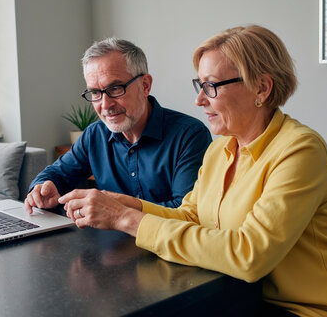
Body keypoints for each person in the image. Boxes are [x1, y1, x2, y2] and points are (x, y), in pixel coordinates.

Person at [59, 26, 327, 316]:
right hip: (235, 299)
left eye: (211, 86)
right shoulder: (221, 149)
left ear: (261, 87)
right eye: (200, 85)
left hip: (301, 309)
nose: (199, 99)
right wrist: (123, 204)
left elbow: (250, 255)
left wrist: (126, 219)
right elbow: (192, 216)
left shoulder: (301, 150)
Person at [25, 38, 212, 213]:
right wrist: (42, 187)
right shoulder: (95, 135)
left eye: (115, 88)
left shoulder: (190, 135)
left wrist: (116, 210)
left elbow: (184, 211)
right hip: (109, 245)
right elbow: (57, 173)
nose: (105, 105)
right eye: (95, 93)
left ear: (145, 85)